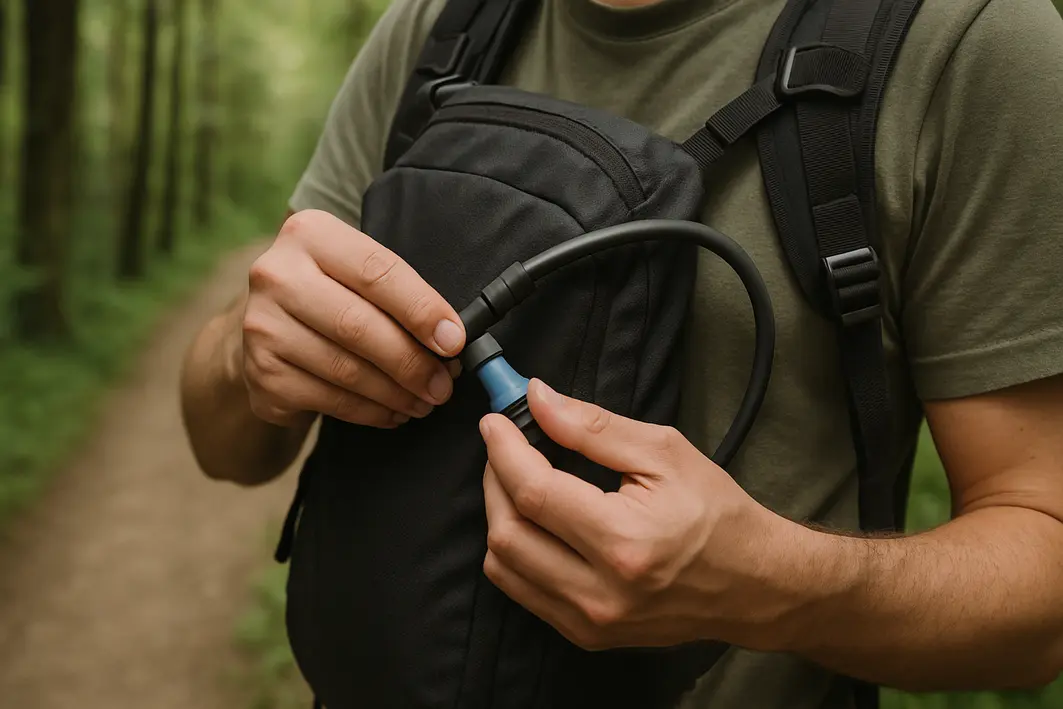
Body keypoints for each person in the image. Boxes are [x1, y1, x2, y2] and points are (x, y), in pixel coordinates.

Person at [179, 0, 1063, 706]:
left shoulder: (968, 39)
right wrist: (244, 359)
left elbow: (1044, 595)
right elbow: (225, 448)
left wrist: (772, 588)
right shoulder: (439, 27)